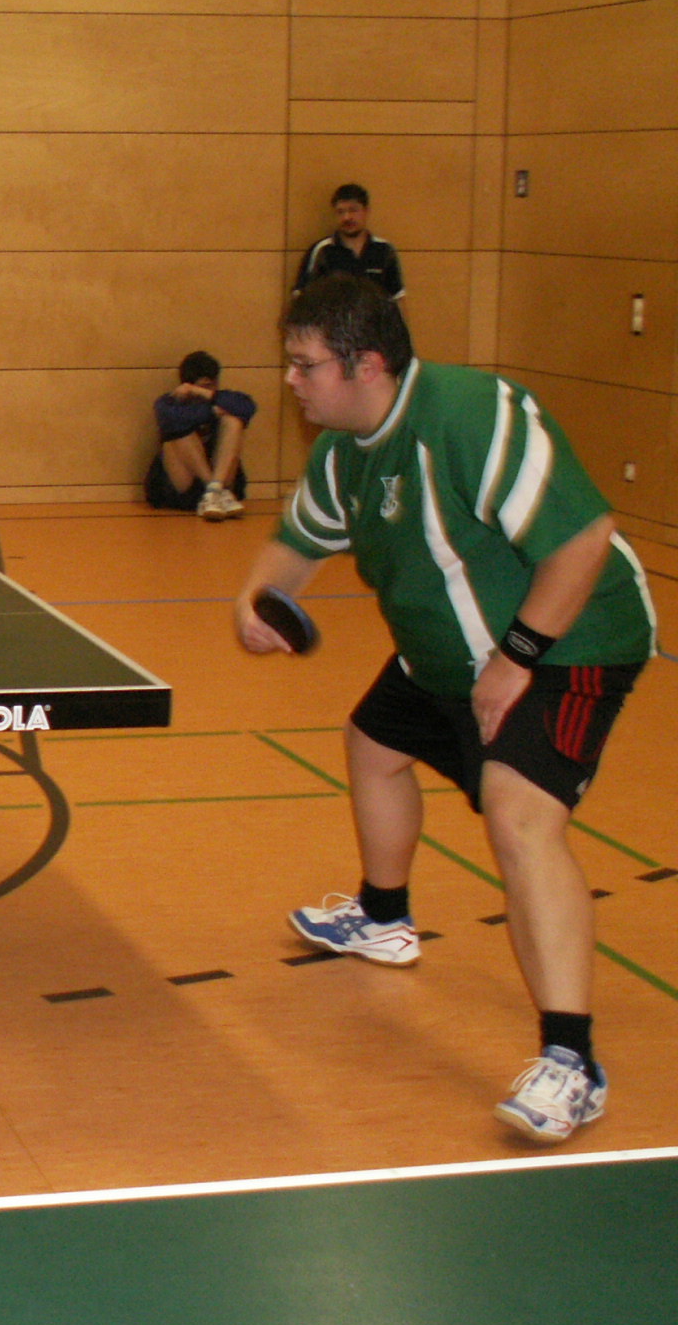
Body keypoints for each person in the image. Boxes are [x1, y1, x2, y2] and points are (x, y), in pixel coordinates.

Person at [235, 275, 654, 1142]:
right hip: (448, 656)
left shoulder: (472, 416)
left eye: (305, 365)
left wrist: (515, 658)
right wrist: (258, 598)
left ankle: (572, 1062)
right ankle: (385, 919)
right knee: (372, 743)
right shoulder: (345, 452)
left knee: (519, 816)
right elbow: (299, 543)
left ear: (367, 364)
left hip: (569, 641)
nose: (290, 380)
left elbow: (584, 539)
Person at [144, 350, 255, 521]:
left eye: (211, 386)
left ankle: (215, 490)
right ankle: (212, 489)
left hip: (222, 484)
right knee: (177, 434)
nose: (206, 391)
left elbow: (247, 408)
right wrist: (210, 412)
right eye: (202, 387)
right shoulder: (168, 403)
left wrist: (206, 394)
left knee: (233, 421)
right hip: (184, 484)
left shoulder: (221, 400)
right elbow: (171, 421)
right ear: (186, 385)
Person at [293, 182, 403, 302]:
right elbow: (301, 298)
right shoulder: (322, 250)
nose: (347, 217)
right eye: (340, 212)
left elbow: (397, 298)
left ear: (366, 211)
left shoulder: (384, 250)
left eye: (353, 210)